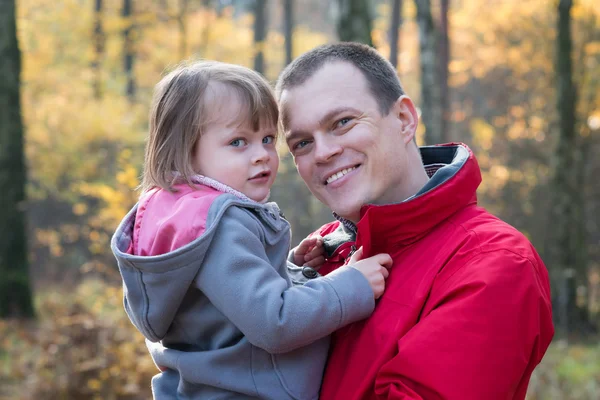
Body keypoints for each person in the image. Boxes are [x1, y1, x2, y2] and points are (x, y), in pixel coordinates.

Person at [276, 42, 554, 400]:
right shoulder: (321, 252)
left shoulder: (494, 262)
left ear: (405, 120)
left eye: (342, 123)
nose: (323, 152)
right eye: (301, 143)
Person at [110, 60, 392, 399]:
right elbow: (274, 323)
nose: (262, 155)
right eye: (238, 142)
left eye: (268, 139)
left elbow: (222, 309)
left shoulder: (183, 219)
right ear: (185, 151)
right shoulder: (220, 224)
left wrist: (291, 268)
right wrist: (352, 285)